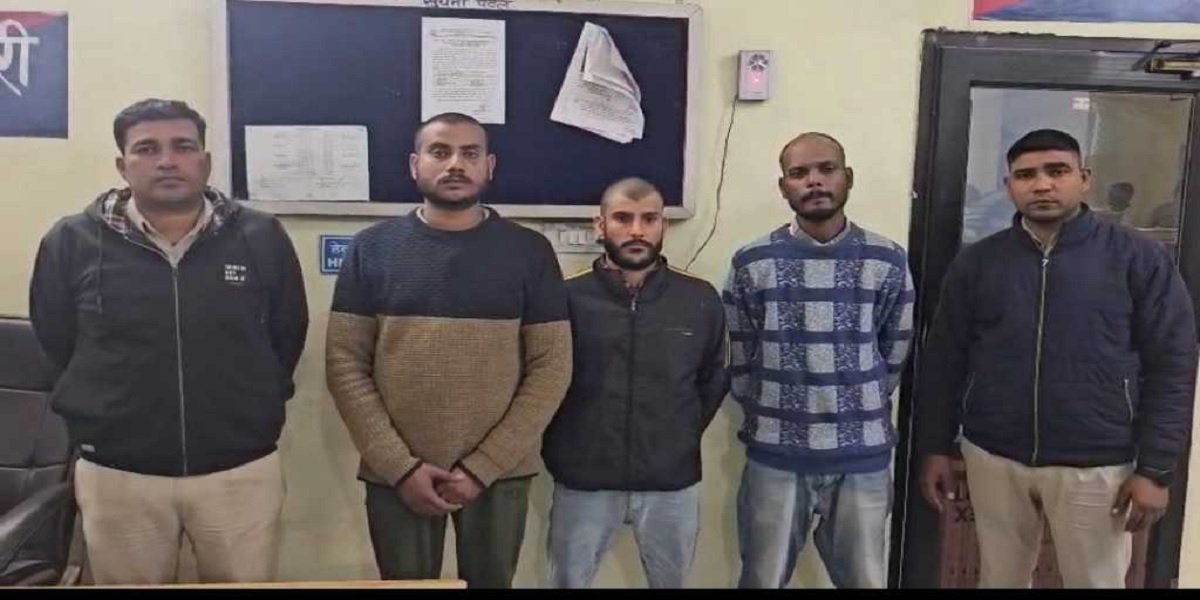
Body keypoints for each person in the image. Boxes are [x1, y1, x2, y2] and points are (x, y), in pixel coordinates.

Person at [28, 98, 309, 584]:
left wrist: (253, 406)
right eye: (147, 149)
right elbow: (56, 340)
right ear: (123, 165)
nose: (167, 161)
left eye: (182, 146)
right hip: (118, 473)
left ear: (205, 161)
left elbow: (287, 334)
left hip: (239, 469)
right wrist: (101, 414)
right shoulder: (72, 241)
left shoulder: (261, 236)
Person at [918, 129, 1198, 588]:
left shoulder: (1138, 259)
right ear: (1009, 186)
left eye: (1057, 171)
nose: (1042, 184)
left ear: (1084, 179)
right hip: (993, 457)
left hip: (1096, 464)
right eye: (1026, 175)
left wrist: (1156, 470)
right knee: (999, 580)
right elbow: (945, 359)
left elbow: (1173, 366)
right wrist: (935, 446)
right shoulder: (979, 263)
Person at [325, 112, 573, 589]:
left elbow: (551, 366)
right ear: (414, 164)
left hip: (499, 474)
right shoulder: (371, 249)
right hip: (398, 474)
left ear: (489, 166)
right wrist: (400, 467)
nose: (455, 164)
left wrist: (484, 467)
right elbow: (345, 363)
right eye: (440, 152)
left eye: (470, 153)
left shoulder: (530, 251)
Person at [723, 132, 915, 588]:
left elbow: (893, 351)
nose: (814, 181)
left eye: (826, 169)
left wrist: (856, 400)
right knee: (762, 578)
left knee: (865, 579)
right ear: (783, 186)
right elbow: (740, 354)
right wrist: (772, 414)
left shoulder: (886, 259)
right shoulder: (752, 261)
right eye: (799, 173)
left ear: (848, 178)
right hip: (776, 453)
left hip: (861, 455)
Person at [541, 177, 730, 589]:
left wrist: (676, 435)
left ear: (663, 225)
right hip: (584, 480)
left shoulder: (699, 299)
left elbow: (713, 379)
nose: (637, 230)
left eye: (649, 219)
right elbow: (543, 382)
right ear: (600, 225)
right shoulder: (564, 298)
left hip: (671, 482)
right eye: (623, 218)